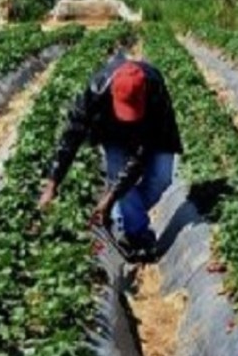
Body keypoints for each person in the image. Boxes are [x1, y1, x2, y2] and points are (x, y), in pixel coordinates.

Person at [39, 54, 183, 261]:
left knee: (161, 178)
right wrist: (52, 184)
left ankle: (121, 217)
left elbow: (139, 157)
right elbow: (70, 136)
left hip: (155, 133)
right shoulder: (95, 90)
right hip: (111, 132)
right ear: (113, 92)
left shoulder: (154, 89)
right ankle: (135, 233)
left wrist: (110, 198)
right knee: (121, 180)